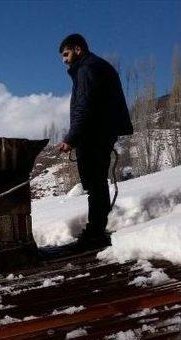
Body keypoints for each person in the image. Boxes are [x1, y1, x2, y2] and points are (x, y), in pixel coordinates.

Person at [56, 34, 133, 250]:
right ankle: (96, 230)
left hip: (95, 134)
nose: (64, 60)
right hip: (100, 132)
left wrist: (71, 139)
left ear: (78, 49)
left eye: (66, 54)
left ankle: (96, 233)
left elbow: (85, 107)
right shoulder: (93, 67)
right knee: (96, 183)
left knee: (95, 184)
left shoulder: (87, 69)